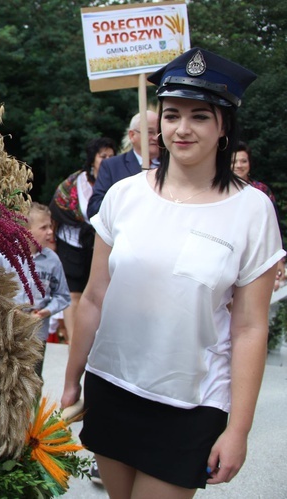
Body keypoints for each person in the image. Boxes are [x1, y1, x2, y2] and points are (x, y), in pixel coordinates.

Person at [61, 48, 284, 497]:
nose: (182, 129)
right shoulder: (124, 195)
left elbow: (249, 327)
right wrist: (72, 379)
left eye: (200, 116)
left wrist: (238, 430)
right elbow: (95, 296)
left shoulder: (252, 210)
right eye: (172, 114)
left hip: (190, 401)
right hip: (113, 385)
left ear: (224, 127)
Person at [49, 137, 116, 343]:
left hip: (103, 244)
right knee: (74, 294)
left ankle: (94, 340)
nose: (106, 160)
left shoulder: (118, 181)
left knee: (99, 293)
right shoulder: (75, 182)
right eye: (102, 156)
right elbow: (58, 205)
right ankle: (73, 341)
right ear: (92, 159)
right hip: (73, 243)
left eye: (111, 157)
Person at [0, 202, 70, 377]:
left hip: (37, 330)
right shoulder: (3, 257)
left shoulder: (53, 261)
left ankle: (33, 405)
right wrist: (8, 310)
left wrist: (46, 311)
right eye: (44, 227)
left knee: (32, 377)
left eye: (50, 226)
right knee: (4, 374)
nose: (50, 231)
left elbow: (63, 296)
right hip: (8, 329)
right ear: (26, 231)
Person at [232, 141, 286, 289]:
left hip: (257, 252)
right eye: (234, 161)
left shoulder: (261, 191)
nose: (239, 165)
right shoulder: (219, 192)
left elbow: (274, 227)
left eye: (243, 161)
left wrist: (280, 259)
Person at [87, 110, 160, 218]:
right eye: (150, 132)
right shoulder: (112, 166)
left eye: (159, 132)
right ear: (132, 135)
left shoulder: (173, 166)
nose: (156, 137)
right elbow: (94, 208)